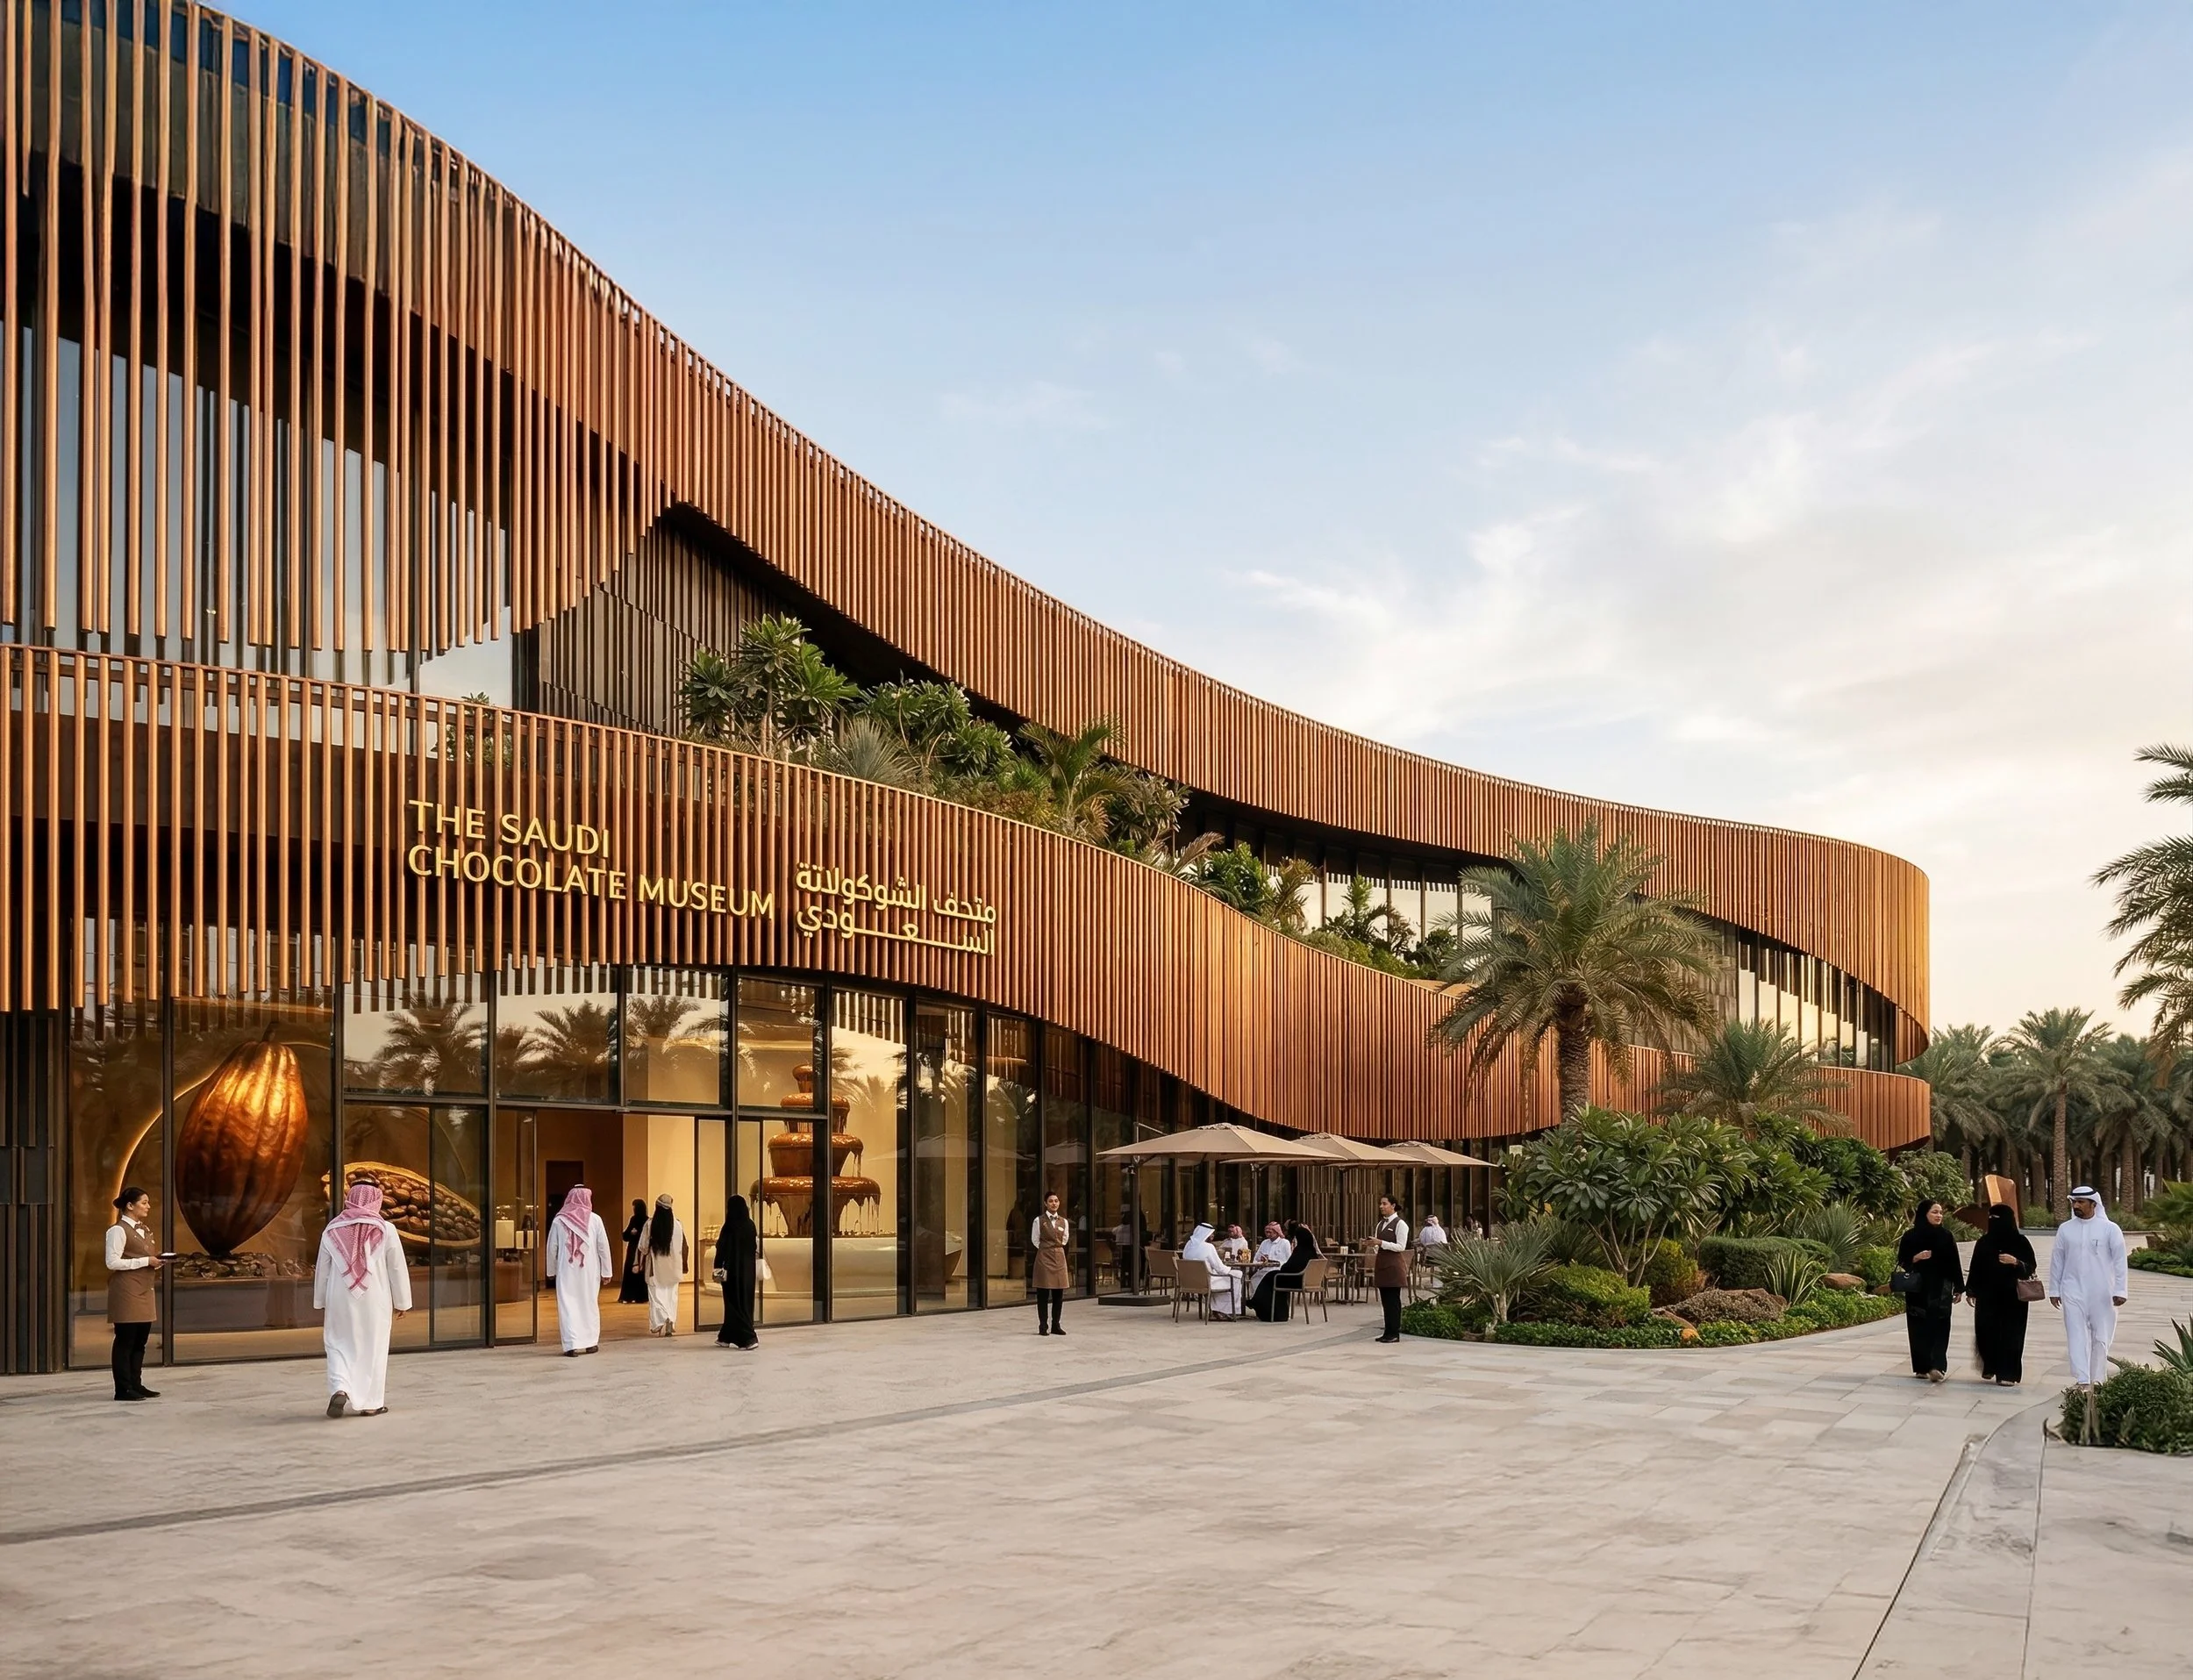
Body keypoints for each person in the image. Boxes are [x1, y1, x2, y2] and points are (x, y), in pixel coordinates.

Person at [313, 1182, 411, 1417]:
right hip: (374, 1299)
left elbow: (322, 1269)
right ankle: (371, 1404)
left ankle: (340, 1387)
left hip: (339, 1297)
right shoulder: (385, 1229)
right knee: (373, 1347)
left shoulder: (332, 1229)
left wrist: (320, 1300)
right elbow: (396, 1268)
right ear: (375, 1201)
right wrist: (402, 1302)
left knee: (337, 1344)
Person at [2047, 1185, 2128, 1389]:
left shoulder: (2110, 1229)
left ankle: (2098, 1378)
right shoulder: (2065, 1229)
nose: (2076, 1205)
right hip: (2072, 1289)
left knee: (2101, 1336)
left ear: (2094, 1204)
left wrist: (2121, 1290)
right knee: (2076, 1334)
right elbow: (2058, 1260)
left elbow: (2120, 1262)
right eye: (2074, 1202)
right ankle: (2082, 1378)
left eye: (2081, 1202)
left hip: (2103, 1291)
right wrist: (2054, 1290)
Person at [1966, 1203, 2038, 1386]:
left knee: (2011, 1335)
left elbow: (2031, 1266)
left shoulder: (2020, 1242)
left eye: (1997, 1218)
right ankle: (1990, 1365)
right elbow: (1975, 1267)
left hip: (2013, 1297)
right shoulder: (1984, 1242)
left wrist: (2016, 1262)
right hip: (1988, 1296)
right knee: (1985, 1332)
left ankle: (2008, 1373)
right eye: (1991, 1218)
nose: (1993, 1222)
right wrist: (1971, 1290)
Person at [104, 1186, 163, 1402]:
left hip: (144, 1290)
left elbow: (141, 1259)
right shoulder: (117, 1231)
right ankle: (123, 1388)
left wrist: (156, 1263)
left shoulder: (146, 1230)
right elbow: (112, 1262)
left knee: (140, 1341)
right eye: (144, 1202)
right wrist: (146, 1261)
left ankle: (136, 1384)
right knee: (125, 1340)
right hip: (127, 1291)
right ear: (130, 1206)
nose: (148, 1206)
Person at [1896, 1198, 1965, 1382]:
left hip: (1941, 1288)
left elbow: (1954, 1262)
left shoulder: (1946, 1236)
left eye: (1941, 1212)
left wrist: (1959, 1287)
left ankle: (1937, 1366)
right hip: (1917, 1289)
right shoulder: (1910, 1236)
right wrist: (1915, 1259)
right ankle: (1921, 1366)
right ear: (1924, 1214)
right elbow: (1902, 1260)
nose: (1939, 1216)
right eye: (1935, 1212)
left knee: (1941, 1326)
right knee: (1918, 1326)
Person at [546, 1183, 614, 1355]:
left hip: (566, 1271)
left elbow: (551, 1248)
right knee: (589, 1304)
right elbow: (603, 1248)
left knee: (568, 1305)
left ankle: (571, 1345)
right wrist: (607, 1272)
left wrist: (551, 1271)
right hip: (589, 1272)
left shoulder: (559, 1220)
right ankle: (591, 1343)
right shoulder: (595, 1219)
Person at [712, 1194, 760, 1350]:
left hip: (732, 1272)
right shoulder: (750, 1226)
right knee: (744, 1303)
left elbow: (722, 1248)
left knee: (734, 1305)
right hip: (748, 1272)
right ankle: (725, 1337)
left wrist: (718, 1266)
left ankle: (749, 1338)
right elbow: (753, 1248)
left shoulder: (729, 1227)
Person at [641, 1194, 688, 1336]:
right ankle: (671, 1321)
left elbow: (643, 1246)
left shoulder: (650, 1224)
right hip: (674, 1268)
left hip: (656, 1269)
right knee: (671, 1296)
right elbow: (684, 1246)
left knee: (656, 1296)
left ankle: (660, 1321)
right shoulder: (678, 1224)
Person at [1254, 1222, 1316, 1321]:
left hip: (1297, 1280)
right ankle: (1265, 1306)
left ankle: (1259, 1304)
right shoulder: (1312, 1252)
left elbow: (1289, 1265)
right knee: (1270, 1276)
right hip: (1305, 1280)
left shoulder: (1299, 1251)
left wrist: (1280, 1268)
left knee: (1271, 1277)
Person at [1181, 1222, 1243, 1319]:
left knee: (1226, 1277)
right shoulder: (1208, 1247)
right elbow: (1220, 1269)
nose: (1212, 1236)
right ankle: (1225, 1311)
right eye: (1211, 1234)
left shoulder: (1188, 1245)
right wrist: (1231, 1270)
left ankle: (1216, 1309)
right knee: (1237, 1275)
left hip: (1191, 1282)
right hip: (1207, 1281)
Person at [1031, 1190, 1071, 1335]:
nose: (1054, 1203)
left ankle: (1056, 1325)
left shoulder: (1064, 1221)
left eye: (1056, 1201)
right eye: (1051, 1201)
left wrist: (1056, 1248)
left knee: (1058, 1294)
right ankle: (1043, 1325)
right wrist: (1046, 1249)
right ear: (1045, 1204)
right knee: (1042, 1293)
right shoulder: (1039, 1221)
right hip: (1044, 1257)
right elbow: (1035, 1240)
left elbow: (1065, 1239)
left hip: (1059, 1257)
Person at [1372, 1194, 1411, 1342]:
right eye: (1380, 1204)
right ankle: (1387, 1332)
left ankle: (1394, 1333)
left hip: (1394, 1266)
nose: (1381, 1206)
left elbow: (1401, 1246)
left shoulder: (1401, 1225)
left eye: (1384, 1203)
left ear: (1393, 1205)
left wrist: (1381, 1243)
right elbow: (1378, 1245)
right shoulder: (1380, 1224)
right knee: (1385, 1301)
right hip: (1382, 1265)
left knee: (1393, 1301)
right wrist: (1374, 1245)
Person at [618, 1197, 650, 1305]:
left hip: (636, 1250)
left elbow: (626, 1236)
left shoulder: (640, 1220)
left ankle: (631, 1296)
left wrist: (633, 1234)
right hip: (639, 1250)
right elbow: (626, 1235)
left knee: (633, 1272)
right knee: (637, 1272)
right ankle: (639, 1296)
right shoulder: (642, 1220)